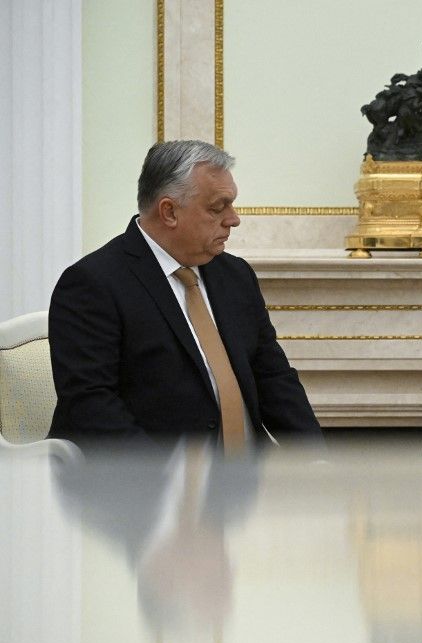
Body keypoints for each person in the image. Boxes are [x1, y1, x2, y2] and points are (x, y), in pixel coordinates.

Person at [48, 140, 322, 449]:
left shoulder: (235, 275)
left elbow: (273, 376)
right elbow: (90, 404)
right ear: (169, 212)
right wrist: (170, 481)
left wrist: (313, 459)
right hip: (145, 483)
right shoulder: (93, 284)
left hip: (249, 480)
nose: (233, 219)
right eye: (218, 207)